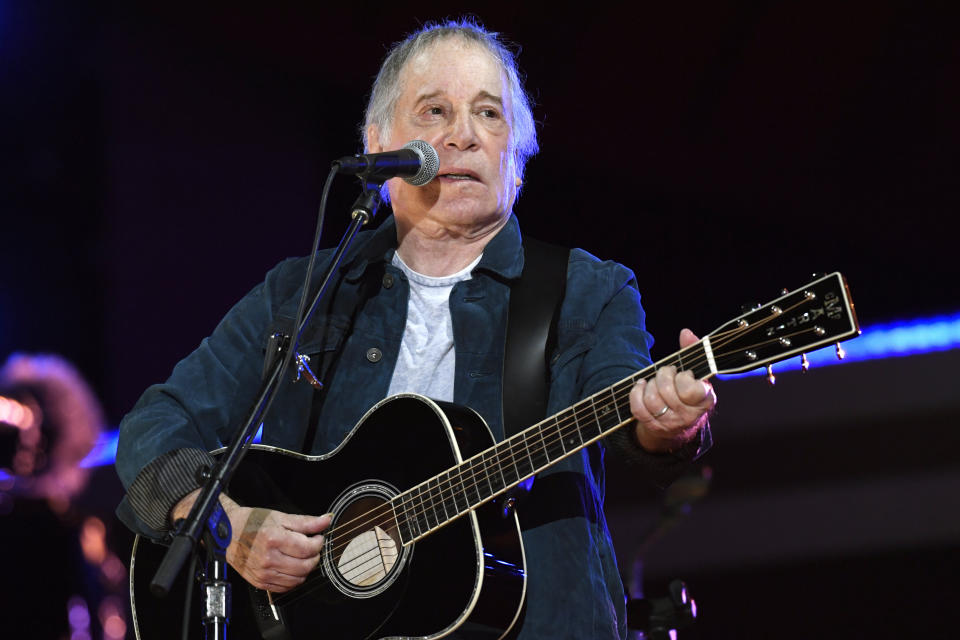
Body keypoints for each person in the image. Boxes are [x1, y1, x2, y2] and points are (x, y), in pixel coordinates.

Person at [115, 18, 716, 640]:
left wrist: (666, 425)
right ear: (378, 144)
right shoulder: (303, 292)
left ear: (518, 156)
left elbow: (635, 423)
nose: (463, 135)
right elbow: (155, 426)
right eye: (435, 111)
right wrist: (228, 526)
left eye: (489, 114)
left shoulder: (588, 291)